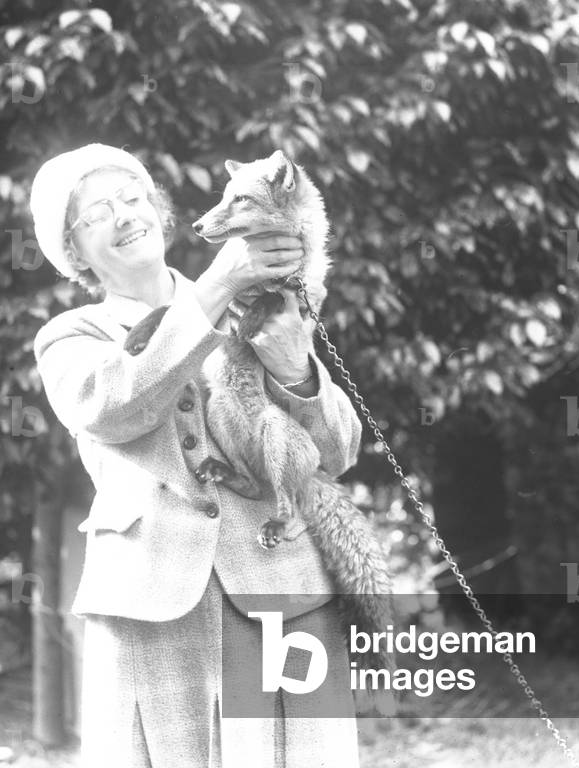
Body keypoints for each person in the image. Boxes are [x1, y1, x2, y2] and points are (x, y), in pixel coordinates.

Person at [29, 143, 363, 768]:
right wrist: (217, 285)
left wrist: (296, 366)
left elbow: (336, 452)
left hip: (283, 585)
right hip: (151, 602)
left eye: (133, 197)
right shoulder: (70, 337)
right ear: (72, 249)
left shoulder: (256, 304)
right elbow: (115, 406)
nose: (125, 215)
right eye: (97, 212)